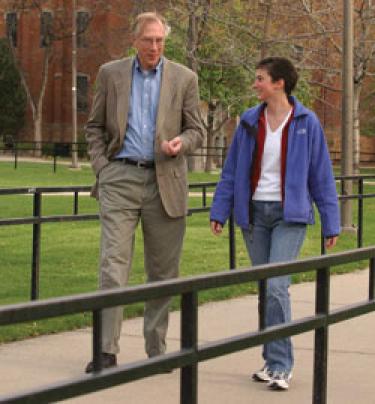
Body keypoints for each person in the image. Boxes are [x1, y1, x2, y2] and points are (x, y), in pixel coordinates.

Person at [210, 57, 339, 390]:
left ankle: (282, 365)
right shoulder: (250, 122)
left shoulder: (307, 122)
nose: (255, 84)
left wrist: (331, 223)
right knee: (267, 289)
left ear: (279, 82)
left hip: (289, 216)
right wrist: (219, 211)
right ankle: (271, 360)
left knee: (277, 286)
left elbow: (321, 176)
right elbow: (231, 171)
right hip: (254, 215)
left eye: (260, 79)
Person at [85, 12, 204, 373]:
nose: (154, 47)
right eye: (148, 40)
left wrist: (180, 143)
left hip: (165, 180)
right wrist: (103, 169)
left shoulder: (185, 77)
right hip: (120, 176)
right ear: (134, 40)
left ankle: (157, 351)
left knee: (163, 271)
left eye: (160, 41)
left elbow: (196, 129)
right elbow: (94, 127)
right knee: (112, 266)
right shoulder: (111, 73)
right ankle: (105, 350)